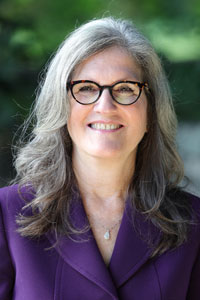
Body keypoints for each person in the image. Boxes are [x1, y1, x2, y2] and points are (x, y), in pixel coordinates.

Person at [0, 17, 199, 300]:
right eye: (86, 88)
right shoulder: (6, 215)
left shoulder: (194, 224)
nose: (105, 106)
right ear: (61, 105)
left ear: (151, 111)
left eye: (125, 89)